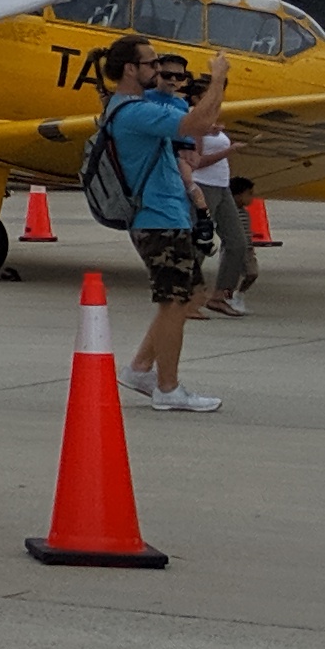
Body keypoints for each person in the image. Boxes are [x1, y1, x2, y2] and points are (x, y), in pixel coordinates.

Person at [102, 45, 223, 411]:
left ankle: (141, 369)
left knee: (191, 296)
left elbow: (195, 123)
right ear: (128, 69)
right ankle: (167, 389)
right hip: (157, 218)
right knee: (174, 303)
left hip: (168, 214)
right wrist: (218, 78)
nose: (159, 70)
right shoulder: (135, 111)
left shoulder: (143, 105)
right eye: (152, 64)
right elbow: (199, 125)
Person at [183, 76, 253, 318]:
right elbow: (197, 161)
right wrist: (229, 150)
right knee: (200, 242)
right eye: (209, 95)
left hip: (221, 187)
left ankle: (221, 295)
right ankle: (188, 299)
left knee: (237, 243)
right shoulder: (193, 118)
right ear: (195, 99)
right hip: (205, 186)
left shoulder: (208, 120)